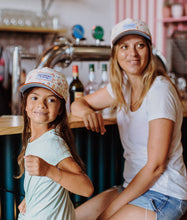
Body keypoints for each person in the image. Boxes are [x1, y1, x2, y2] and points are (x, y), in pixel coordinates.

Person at [71, 18, 187, 220]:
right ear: (115, 53)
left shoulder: (160, 90)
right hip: (133, 188)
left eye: (139, 46)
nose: (132, 54)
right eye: (124, 47)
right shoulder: (122, 87)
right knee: (72, 217)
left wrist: (107, 213)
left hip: (165, 193)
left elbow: (156, 167)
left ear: (149, 51)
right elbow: (77, 104)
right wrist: (88, 112)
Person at [17, 67, 94, 220]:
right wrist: (31, 198)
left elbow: (86, 188)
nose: (41, 104)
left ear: (60, 109)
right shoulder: (33, 139)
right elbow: (47, 183)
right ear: (25, 104)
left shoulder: (53, 143)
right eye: (34, 98)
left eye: (51, 100)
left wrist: (48, 170)